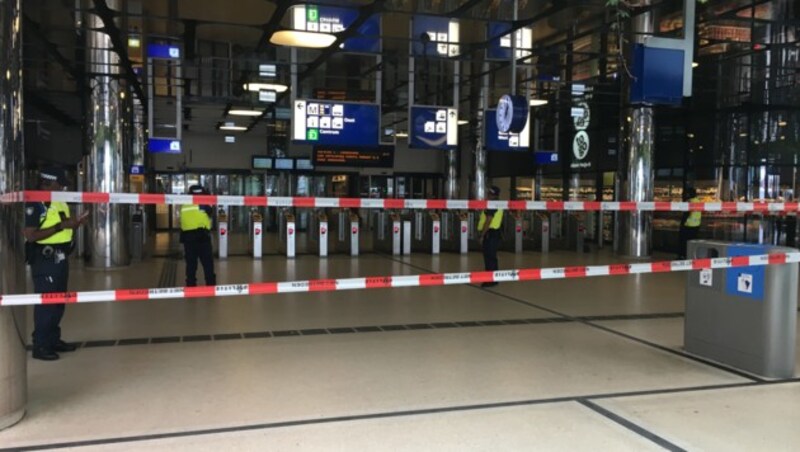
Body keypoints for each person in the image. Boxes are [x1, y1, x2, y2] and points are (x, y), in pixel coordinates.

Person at [24, 167, 89, 361]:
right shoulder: (36, 202)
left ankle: (53, 339)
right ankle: (41, 345)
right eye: (60, 184)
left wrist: (75, 223)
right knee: (47, 303)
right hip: (45, 259)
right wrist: (61, 226)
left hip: (60, 257)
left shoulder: (58, 200)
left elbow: (63, 224)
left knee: (59, 301)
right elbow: (30, 234)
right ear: (49, 182)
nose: (62, 188)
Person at [180, 185, 216, 287]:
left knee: (191, 265)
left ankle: (191, 286)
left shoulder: (185, 203)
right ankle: (210, 286)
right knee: (207, 263)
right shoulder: (205, 202)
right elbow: (210, 213)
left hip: (188, 238)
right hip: (202, 237)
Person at [478, 186, 504, 288]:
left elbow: (488, 220)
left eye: (489, 193)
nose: (487, 195)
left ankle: (490, 280)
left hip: (490, 233)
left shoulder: (492, 204)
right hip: (495, 233)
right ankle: (494, 278)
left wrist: (482, 235)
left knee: (489, 257)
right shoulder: (499, 203)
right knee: (492, 257)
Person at [678, 186, 702, 259]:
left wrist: (682, 223)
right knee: (693, 241)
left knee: (684, 241)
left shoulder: (689, 202)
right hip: (696, 224)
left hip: (688, 224)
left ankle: (683, 255)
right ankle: (691, 255)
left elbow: (686, 213)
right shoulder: (698, 201)